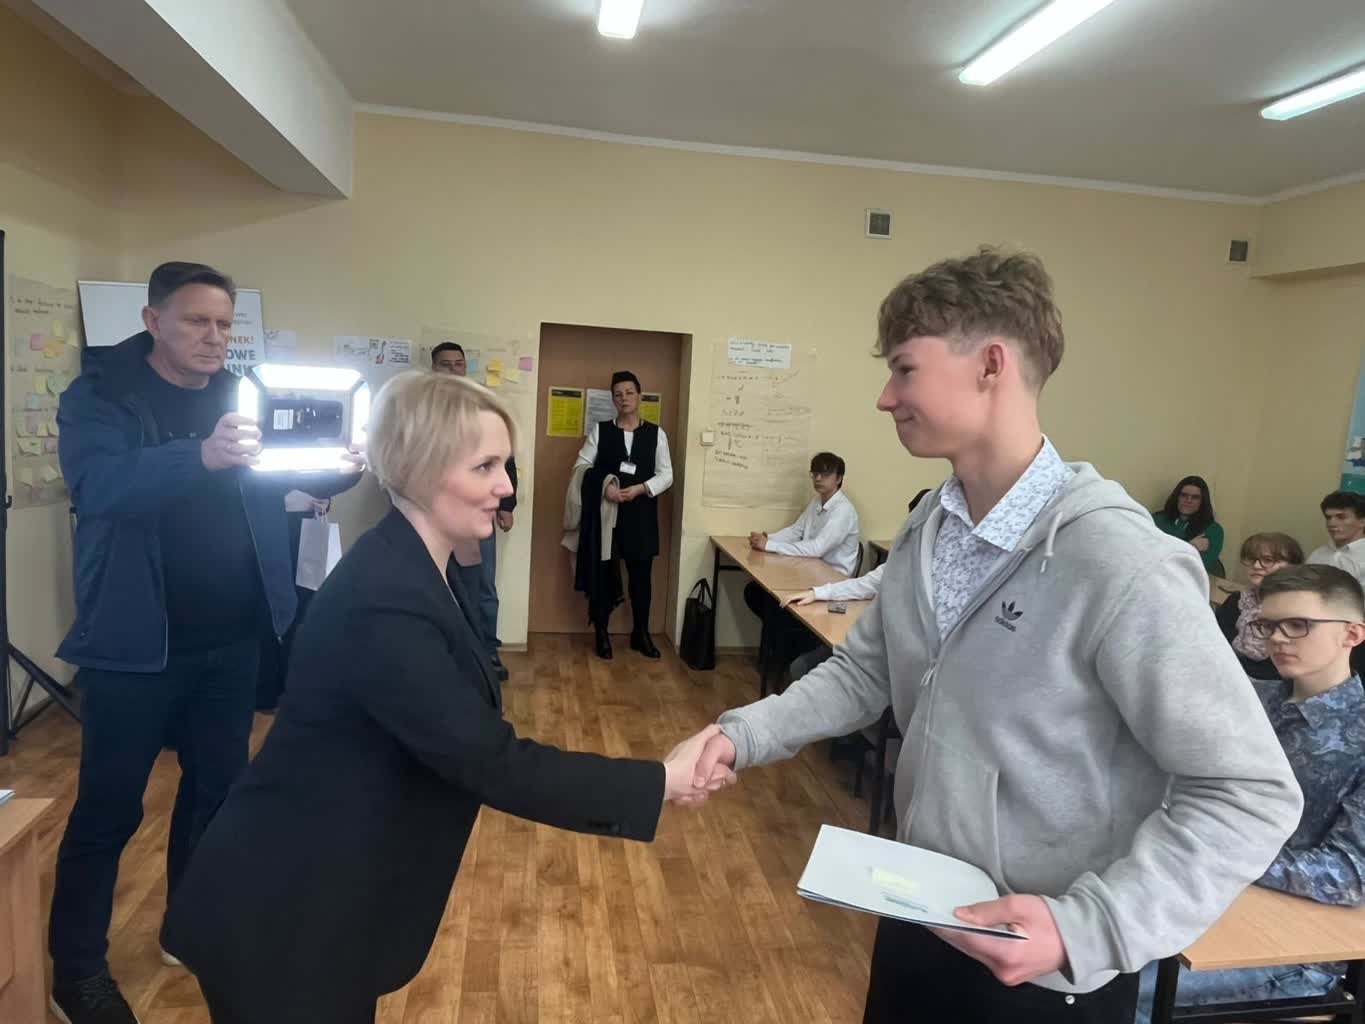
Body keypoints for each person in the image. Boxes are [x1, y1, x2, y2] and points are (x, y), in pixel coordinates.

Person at [677, 247, 1303, 1023]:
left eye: (904, 369)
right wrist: (740, 734)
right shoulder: (929, 526)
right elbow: (867, 671)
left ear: (991, 364)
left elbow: (1247, 791)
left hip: (1044, 968)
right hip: (920, 911)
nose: (885, 397)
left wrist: (1089, 927)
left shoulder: (1120, 561)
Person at [160, 370, 728, 1024]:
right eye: (484, 466)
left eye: (504, 465)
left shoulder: (420, 567)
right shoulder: (383, 596)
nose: (506, 485)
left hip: (327, 905)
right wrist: (660, 780)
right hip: (279, 914)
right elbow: (488, 760)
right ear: (418, 469)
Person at [49, 262, 363, 1024]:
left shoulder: (241, 395)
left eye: (225, 324)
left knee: (217, 796)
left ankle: (188, 928)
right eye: (197, 321)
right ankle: (76, 970)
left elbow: (272, 483)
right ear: (153, 320)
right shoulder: (100, 395)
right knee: (109, 811)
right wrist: (200, 455)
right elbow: (99, 488)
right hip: (133, 647)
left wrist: (335, 471)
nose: (215, 337)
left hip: (232, 642)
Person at [1135, 563, 1365, 1022]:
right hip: (1206, 893)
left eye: (1298, 624)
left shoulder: (1358, 734)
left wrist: (1219, 850)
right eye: (1269, 625)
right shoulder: (1250, 700)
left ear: (1352, 634)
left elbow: (1348, 874)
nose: (1278, 638)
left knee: (1117, 989)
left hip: (1295, 949)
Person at [781, 490, 930, 684]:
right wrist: (816, 593)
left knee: (804, 666)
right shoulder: (903, 559)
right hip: (877, 643)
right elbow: (864, 585)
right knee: (801, 665)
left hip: (903, 661)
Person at [575, 370, 673, 660]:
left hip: (641, 516)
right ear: (613, 399)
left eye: (629, 392)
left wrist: (642, 489)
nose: (624, 398)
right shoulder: (601, 430)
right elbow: (581, 467)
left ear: (639, 396)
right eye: (618, 394)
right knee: (603, 575)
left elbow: (667, 474)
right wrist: (605, 487)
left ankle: (641, 634)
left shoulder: (656, 433)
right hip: (607, 517)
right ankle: (601, 632)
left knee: (641, 578)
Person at [431, 341, 515, 681]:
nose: (453, 370)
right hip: (433, 516)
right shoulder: (422, 411)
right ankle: (449, 655)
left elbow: (505, 456)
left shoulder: (483, 406)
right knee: (436, 585)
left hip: (479, 511)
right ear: (433, 368)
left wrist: (505, 505)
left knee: (482, 586)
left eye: (459, 363)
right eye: (445, 364)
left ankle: (487, 651)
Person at [742, 452, 860, 660]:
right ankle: (783, 651)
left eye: (825, 474)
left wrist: (770, 545)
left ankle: (785, 654)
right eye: (815, 473)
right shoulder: (817, 502)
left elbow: (816, 549)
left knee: (774, 605)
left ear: (839, 478)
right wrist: (767, 538)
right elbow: (796, 531)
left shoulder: (843, 511)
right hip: (808, 572)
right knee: (756, 592)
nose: (818, 478)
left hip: (830, 583)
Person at [1214, 532, 1304, 680]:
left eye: (1267, 560)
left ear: (1292, 567)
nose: (1256, 566)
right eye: (1251, 559)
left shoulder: (1300, 610)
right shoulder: (1235, 601)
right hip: (1227, 677)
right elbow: (1216, 645)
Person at [1152, 476, 1224, 572]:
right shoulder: (1157, 520)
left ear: (1202, 501)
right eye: (1184, 495)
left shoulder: (1214, 530)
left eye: (1195, 497)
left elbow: (1195, 568)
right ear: (1177, 497)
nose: (1188, 500)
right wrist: (1189, 547)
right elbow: (1149, 555)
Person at [1308, 490, 1365, 588]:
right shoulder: (1318, 553)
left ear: (1362, 522)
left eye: (1341, 517)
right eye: (1328, 517)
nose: (1331, 523)